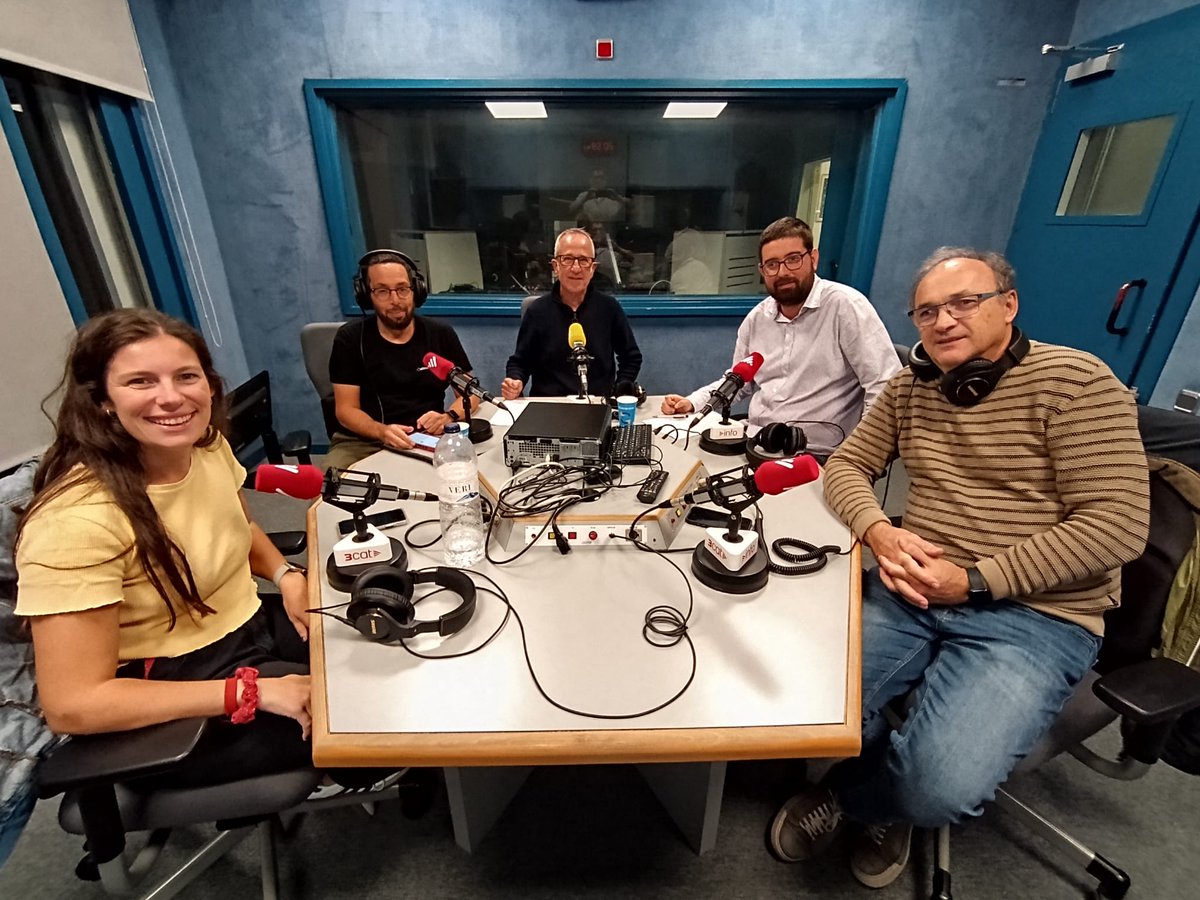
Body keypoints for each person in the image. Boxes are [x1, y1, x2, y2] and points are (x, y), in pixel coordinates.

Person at [767, 248, 1151, 888]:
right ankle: (872, 777)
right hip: (911, 589)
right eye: (926, 311)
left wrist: (975, 580)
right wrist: (880, 532)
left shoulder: (1079, 383)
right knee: (805, 706)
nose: (943, 321)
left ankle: (875, 806)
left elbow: (1117, 525)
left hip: (1036, 616)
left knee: (936, 789)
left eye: (964, 302)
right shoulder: (914, 386)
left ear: (1010, 304)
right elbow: (846, 468)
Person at [14, 309, 315, 788]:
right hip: (170, 693)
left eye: (186, 376)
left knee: (375, 649)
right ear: (104, 401)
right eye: (140, 381)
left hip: (244, 623)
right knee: (371, 718)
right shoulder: (74, 521)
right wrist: (247, 692)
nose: (171, 397)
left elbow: (240, 526)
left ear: (209, 385)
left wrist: (286, 576)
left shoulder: (205, 445)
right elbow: (73, 705)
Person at [660, 217, 899, 458]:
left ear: (813, 258)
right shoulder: (756, 320)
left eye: (793, 259)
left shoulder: (846, 307)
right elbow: (738, 381)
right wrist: (692, 403)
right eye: (772, 264)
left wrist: (860, 455)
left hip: (819, 455)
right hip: (758, 443)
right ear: (762, 271)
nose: (782, 272)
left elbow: (884, 386)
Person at [328, 249, 478, 469]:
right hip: (363, 439)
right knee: (329, 492)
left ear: (416, 290)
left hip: (426, 436)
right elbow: (345, 410)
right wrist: (382, 431)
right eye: (382, 291)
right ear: (366, 295)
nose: (395, 300)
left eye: (402, 289)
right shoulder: (349, 339)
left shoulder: (440, 334)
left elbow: (470, 396)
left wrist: (448, 416)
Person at [502, 228, 643, 399]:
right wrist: (515, 381)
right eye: (567, 259)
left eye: (583, 260)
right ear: (555, 266)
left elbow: (631, 357)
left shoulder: (609, 308)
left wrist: (620, 389)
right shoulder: (537, 311)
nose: (576, 268)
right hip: (549, 406)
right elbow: (520, 362)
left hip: (597, 405)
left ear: (592, 268)